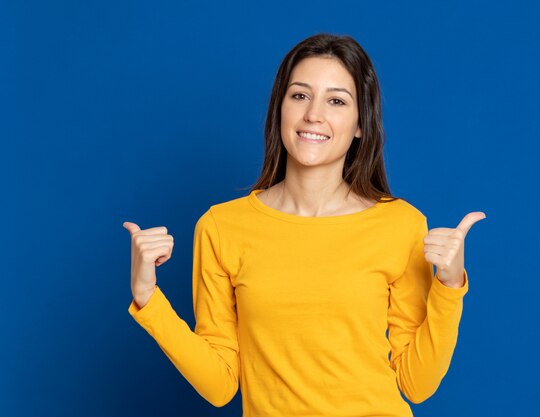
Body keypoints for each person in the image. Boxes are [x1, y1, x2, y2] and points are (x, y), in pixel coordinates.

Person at [123, 33, 485, 417]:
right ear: (280, 108)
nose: (314, 114)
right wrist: (148, 297)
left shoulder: (401, 224)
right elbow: (219, 385)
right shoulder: (221, 226)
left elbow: (416, 383)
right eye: (299, 95)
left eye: (336, 100)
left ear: (361, 123)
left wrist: (448, 286)